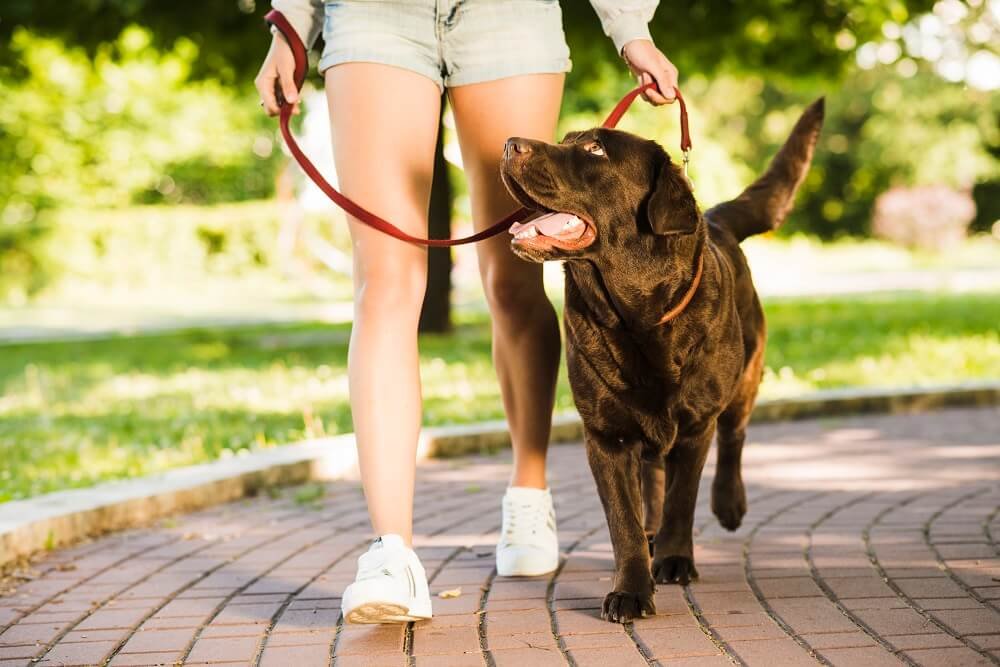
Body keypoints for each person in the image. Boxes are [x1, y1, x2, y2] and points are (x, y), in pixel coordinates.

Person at [255, 0, 678, 625]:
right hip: (373, 18)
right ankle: (390, 553)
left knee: (512, 277)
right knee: (387, 282)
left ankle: (528, 491)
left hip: (508, 16)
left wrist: (630, 26)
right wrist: (292, 24)